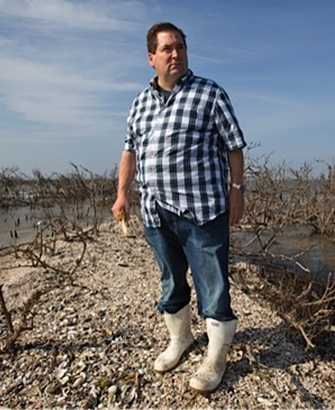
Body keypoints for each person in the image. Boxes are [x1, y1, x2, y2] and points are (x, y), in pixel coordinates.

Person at [111, 21, 247, 393]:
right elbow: (130, 151)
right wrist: (123, 194)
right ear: (151, 57)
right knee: (171, 281)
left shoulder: (209, 93)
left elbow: (234, 145)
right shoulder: (139, 103)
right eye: (167, 48)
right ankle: (181, 339)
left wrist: (237, 190)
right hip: (155, 213)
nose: (176, 54)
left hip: (203, 211)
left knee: (213, 287)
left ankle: (215, 357)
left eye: (181, 47)